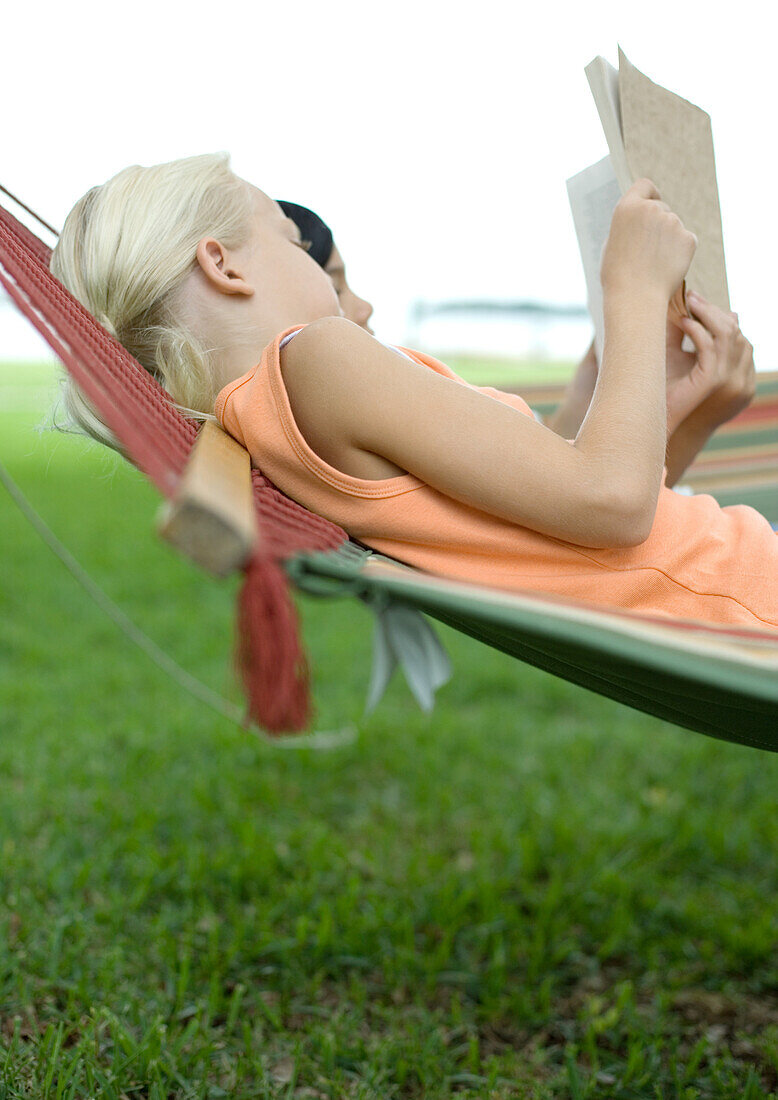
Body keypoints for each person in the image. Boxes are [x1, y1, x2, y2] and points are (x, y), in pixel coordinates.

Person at [50, 154, 777, 630]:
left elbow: (564, 522)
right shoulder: (320, 359)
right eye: (292, 240)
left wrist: (662, 398)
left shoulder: (274, 415)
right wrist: (636, 287)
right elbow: (610, 504)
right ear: (222, 263)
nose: (320, 269)